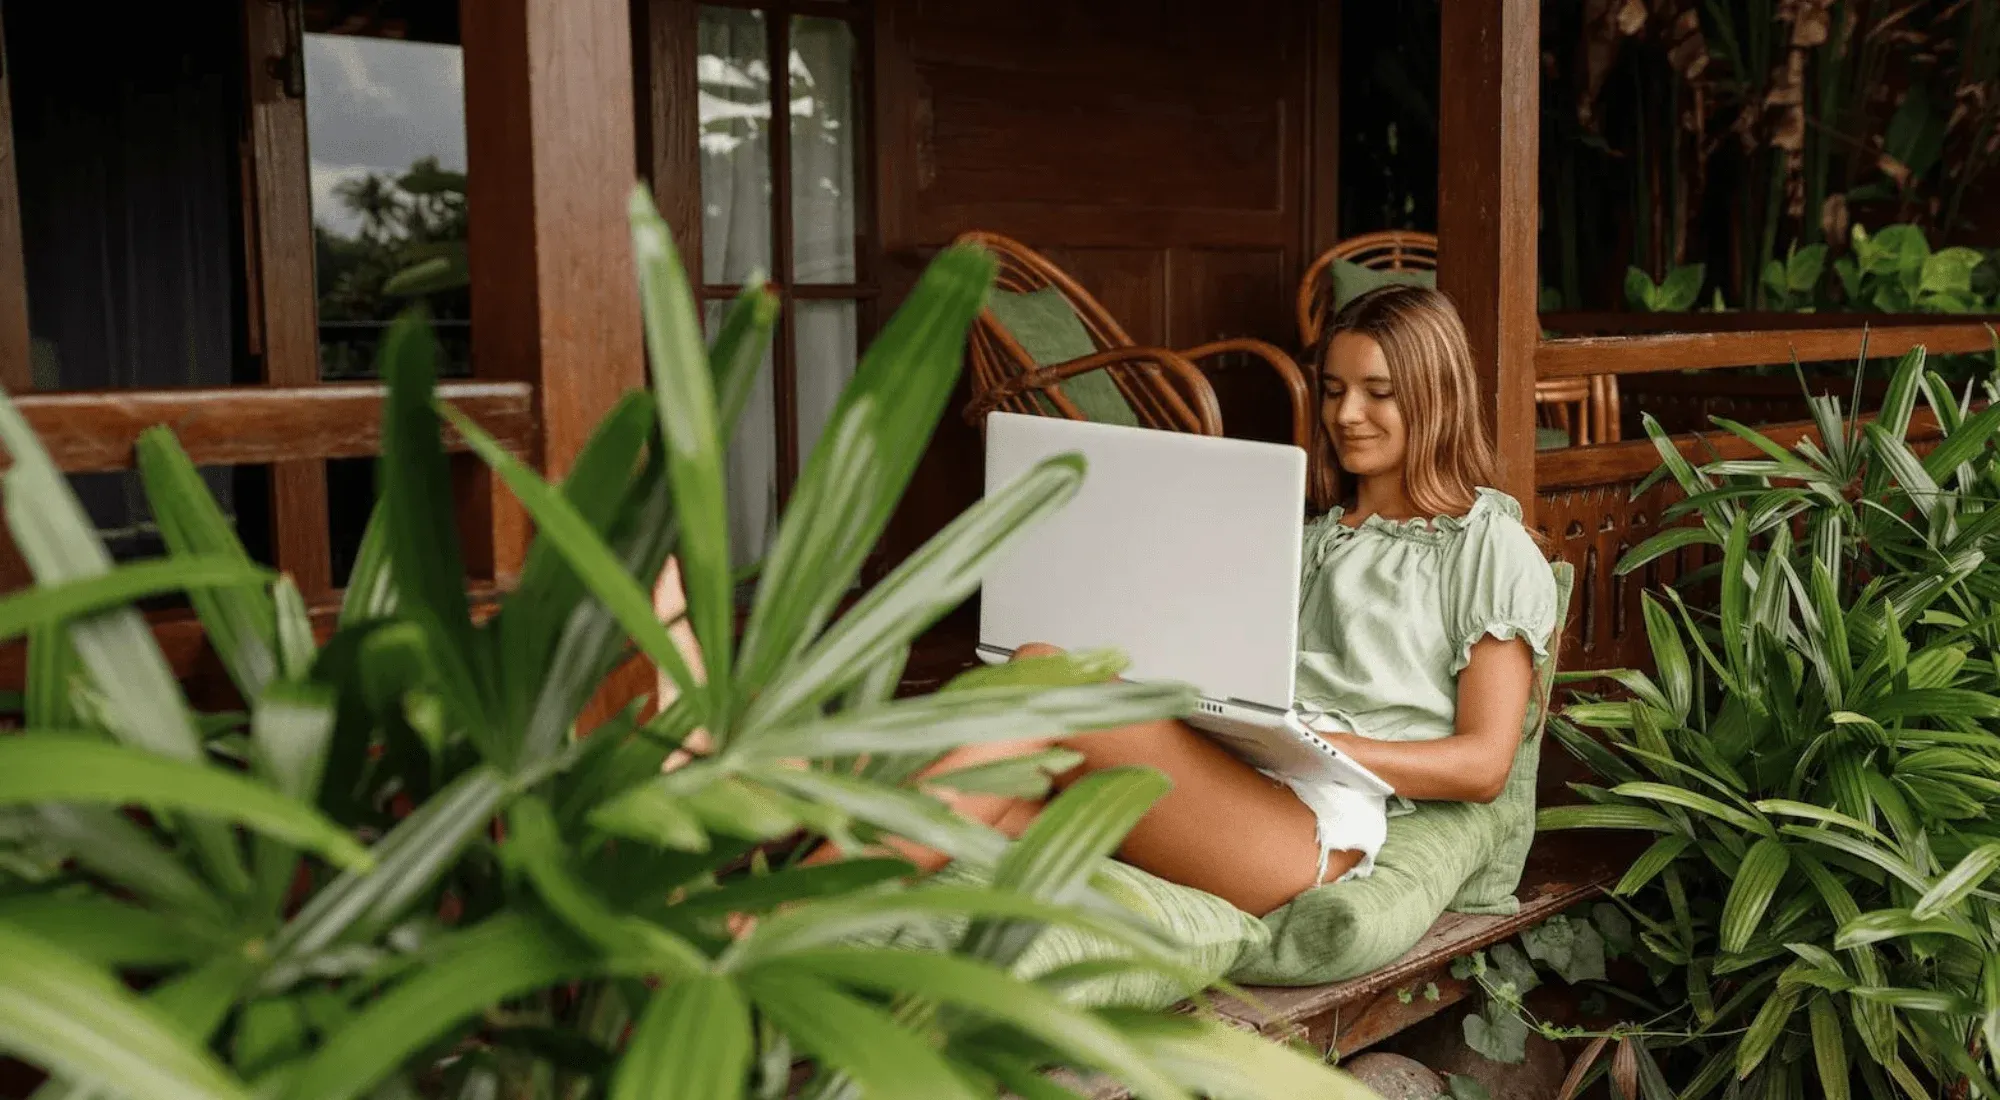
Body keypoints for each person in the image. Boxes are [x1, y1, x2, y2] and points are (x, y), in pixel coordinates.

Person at [653, 284, 1558, 918]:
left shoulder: (1489, 546)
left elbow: (1482, 764)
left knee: (1047, 680)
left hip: (1317, 822)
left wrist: (1316, 739)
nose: (1346, 414)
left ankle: (741, 807)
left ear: (1434, 395)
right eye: (1333, 392)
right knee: (1000, 800)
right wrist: (1223, 704)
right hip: (1234, 772)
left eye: (1379, 394)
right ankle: (770, 904)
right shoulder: (1313, 535)